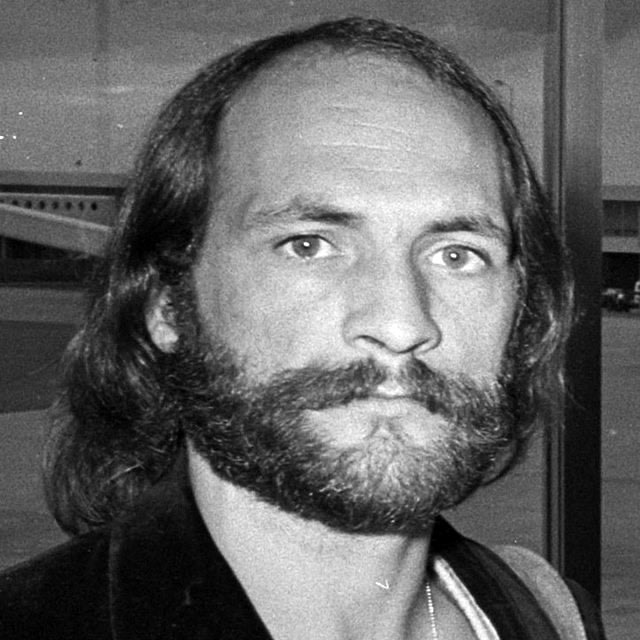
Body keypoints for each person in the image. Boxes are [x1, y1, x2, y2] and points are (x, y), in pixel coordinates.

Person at [0, 17, 605, 640]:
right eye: (308, 245)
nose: (401, 324)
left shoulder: (549, 613)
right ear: (167, 305)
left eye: (457, 255)